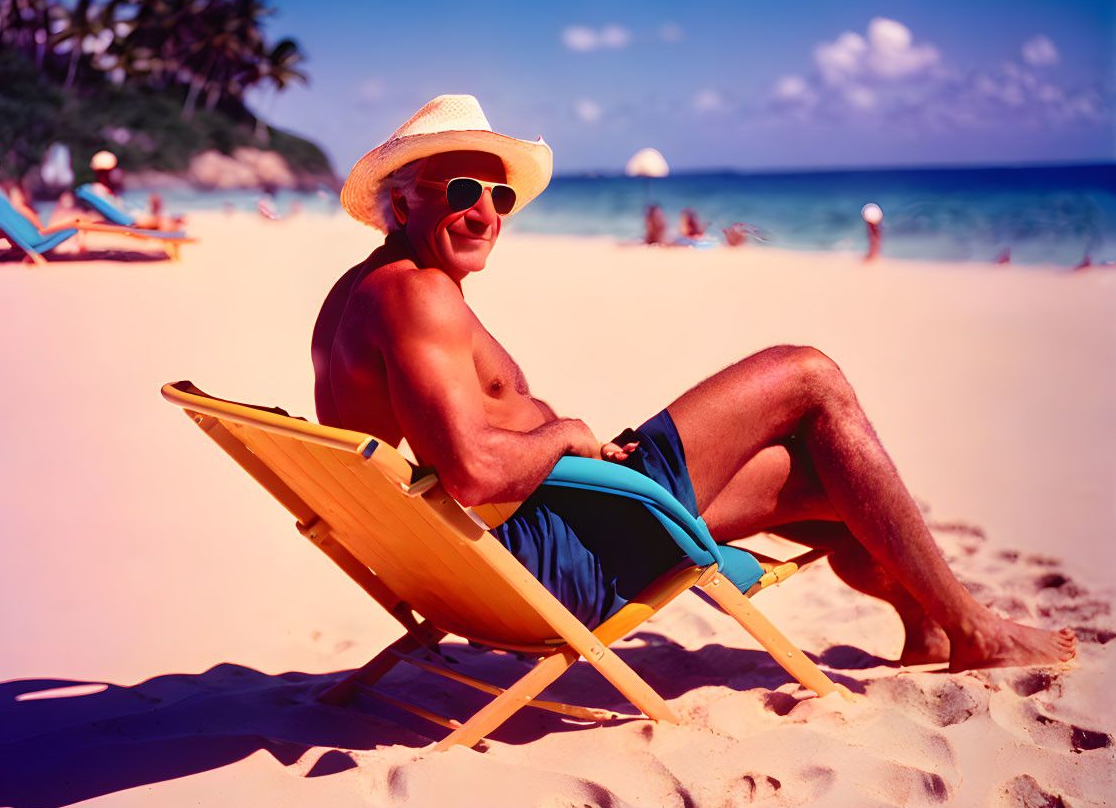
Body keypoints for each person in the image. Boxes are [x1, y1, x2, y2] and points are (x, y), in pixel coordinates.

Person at [312, 95, 1075, 671]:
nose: (482, 211)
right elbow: (474, 472)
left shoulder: (357, 294)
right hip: (554, 553)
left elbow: (448, 463)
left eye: (497, 196)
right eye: (458, 191)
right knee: (808, 375)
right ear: (405, 197)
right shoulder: (417, 294)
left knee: (816, 468)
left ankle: (930, 621)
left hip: (505, 556)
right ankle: (970, 626)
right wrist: (570, 435)